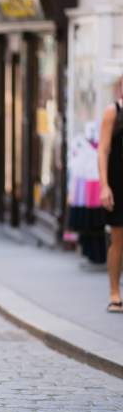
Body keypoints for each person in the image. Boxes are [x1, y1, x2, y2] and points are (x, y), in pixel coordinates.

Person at [98, 77, 123, 313]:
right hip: (118, 183)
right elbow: (103, 150)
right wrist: (104, 185)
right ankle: (114, 292)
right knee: (118, 239)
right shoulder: (113, 112)